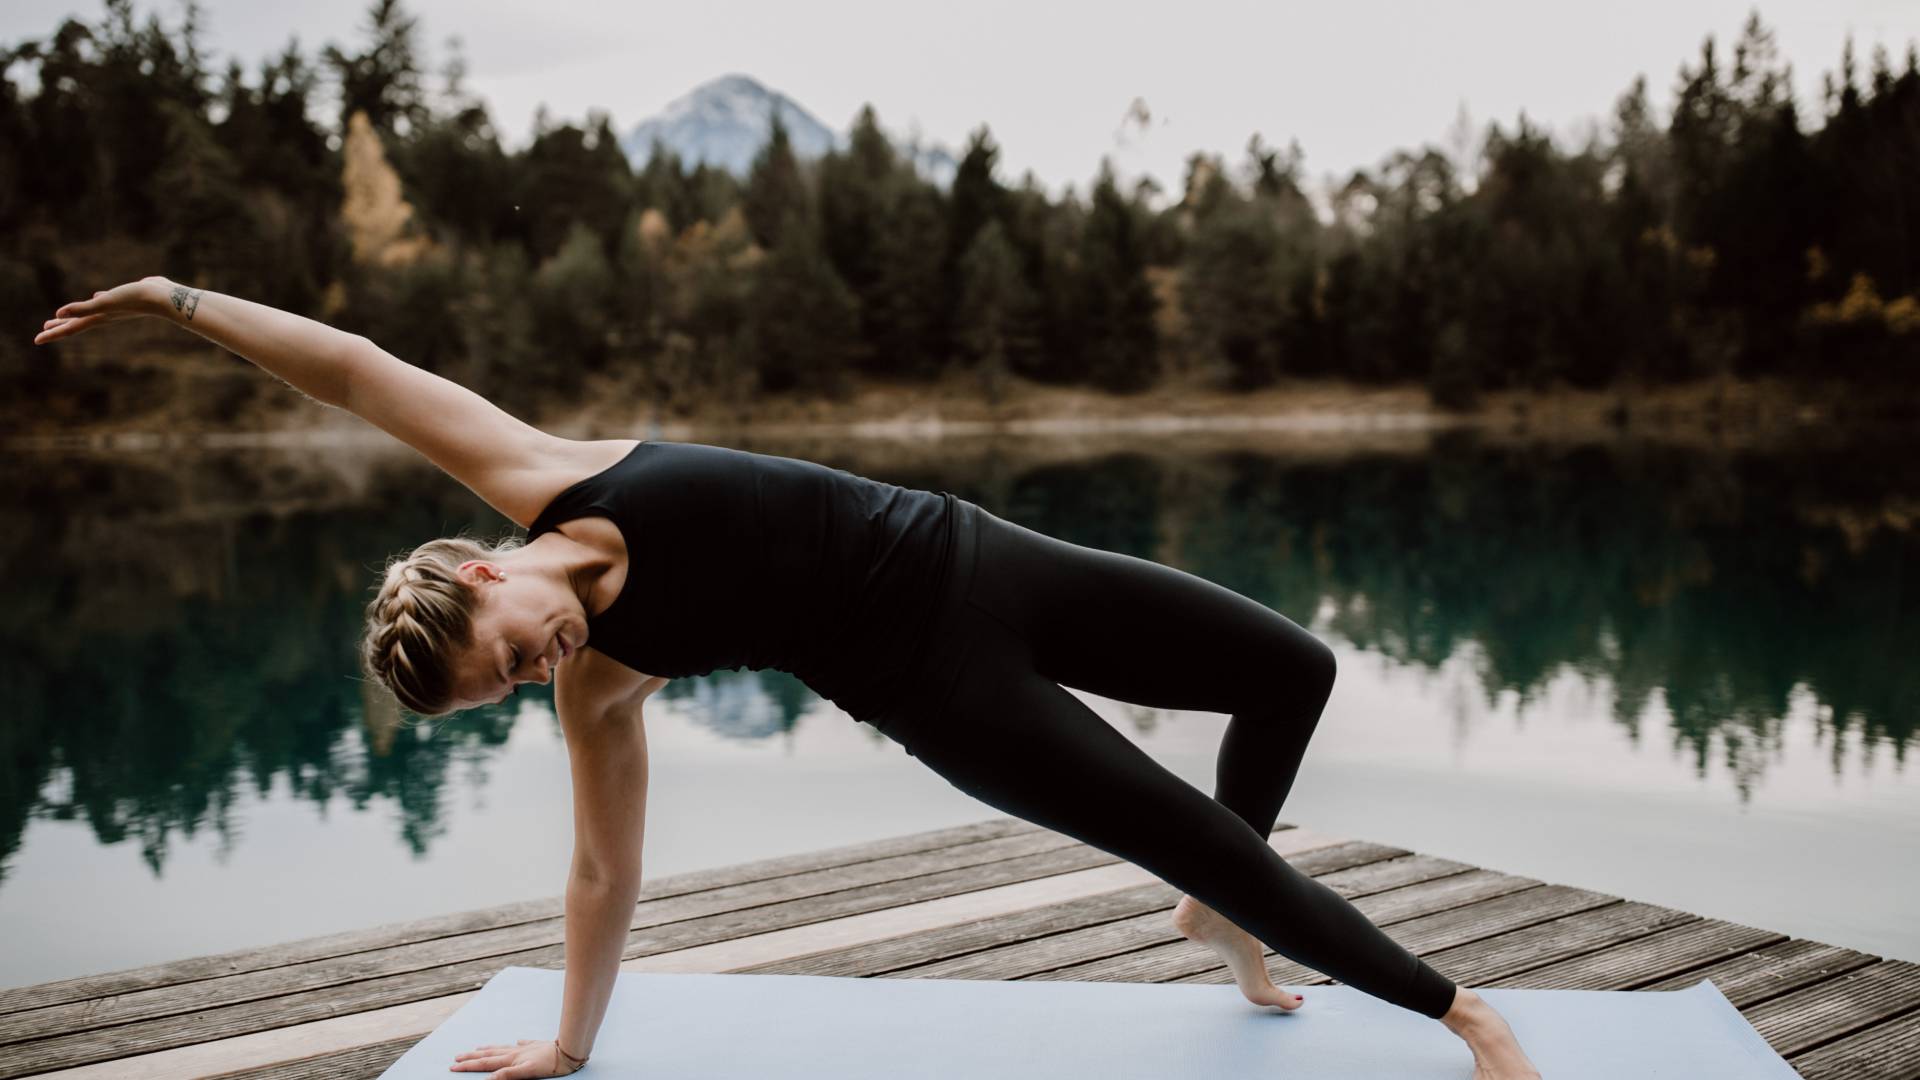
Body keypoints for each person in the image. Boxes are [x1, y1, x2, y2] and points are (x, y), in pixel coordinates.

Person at [36, 277, 1543, 1080]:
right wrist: (571, 1044)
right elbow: (597, 876)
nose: (538, 670)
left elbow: (356, 369)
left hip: (987, 555)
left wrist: (176, 297)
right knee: (1184, 824)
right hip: (941, 690)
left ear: (485, 572)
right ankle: (1460, 1014)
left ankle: (1226, 905)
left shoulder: (539, 476)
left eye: (509, 654)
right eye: (511, 691)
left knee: (1291, 666)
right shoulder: (605, 685)